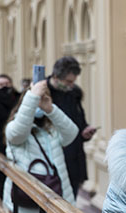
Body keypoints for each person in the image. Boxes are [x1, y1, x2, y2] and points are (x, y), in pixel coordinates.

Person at [3, 80, 78, 213]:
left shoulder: (51, 129)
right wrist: (33, 96)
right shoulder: (15, 128)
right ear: (26, 103)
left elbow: (72, 133)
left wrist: (50, 108)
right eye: (34, 102)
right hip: (28, 206)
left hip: (57, 203)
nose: (37, 105)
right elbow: (17, 134)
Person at [47, 56, 97, 198]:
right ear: (56, 77)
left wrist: (85, 132)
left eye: (73, 82)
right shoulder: (43, 92)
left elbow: (79, 119)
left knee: (72, 199)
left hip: (74, 156)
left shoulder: (74, 93)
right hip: (52, 158)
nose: (71, 85)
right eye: (68, 82)